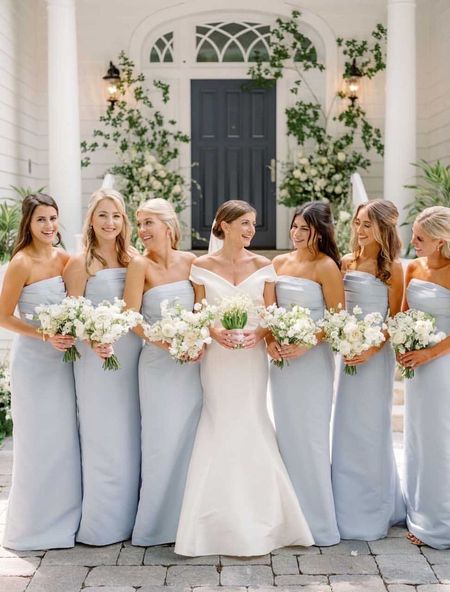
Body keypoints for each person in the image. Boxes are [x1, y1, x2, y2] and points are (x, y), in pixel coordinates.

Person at [174, 199, 314, 557]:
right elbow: (199, 312)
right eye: (245, 224)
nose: (251, 230)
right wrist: (214, 331)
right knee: (218, 423)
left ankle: (265, 519)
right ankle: (211, 522)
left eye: (253, 223)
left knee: (252, 421)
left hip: (251, 360)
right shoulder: (201, 266)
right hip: (218, 360)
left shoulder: (264, 266)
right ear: (223, 225)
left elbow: (269, 314)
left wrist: (261, 335)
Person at [0, 193, 81, 550]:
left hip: (63, 363)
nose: (49, 226)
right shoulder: (21, 262)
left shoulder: (65, 259)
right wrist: (43, 334)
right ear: (28, 224)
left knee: (63, 439)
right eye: (41, 220)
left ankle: (65, 519)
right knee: (36, 440)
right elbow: (3, 316)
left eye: (53, 218)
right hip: (34, 362)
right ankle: (32, 527)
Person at [63, 189, 141, 545]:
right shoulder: (80, 263)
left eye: (116, 216)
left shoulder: (133, 259)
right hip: (94, 357)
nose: (110, 222)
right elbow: (74, 312)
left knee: (130, 432)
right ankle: (102, 522)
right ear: (91, 221)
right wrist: (94, 339)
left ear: (124, 221)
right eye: (103, 215)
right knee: (101, 434)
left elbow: (133, 309)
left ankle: (131, 516)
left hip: (129, 351)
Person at [123, 198, 202, 546]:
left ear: (168, 226)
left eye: (148, 222)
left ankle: (189, 519)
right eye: (139, 224)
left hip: (192, 366)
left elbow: (202, 308)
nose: (142, 230)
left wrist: (197, 339)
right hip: (157, 364)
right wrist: (165, 342)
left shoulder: (192, 261)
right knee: (159, 440)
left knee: (191, 437)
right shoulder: (140, 265)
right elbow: (131, 317)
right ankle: (155, 525)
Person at [398, 205, 450, 549]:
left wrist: (429, 352)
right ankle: (420, 513)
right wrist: (403, 343)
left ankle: (444, 526)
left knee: (440, 442)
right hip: (416, 367)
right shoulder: (413, 266)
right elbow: (403, 314)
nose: (413, 242)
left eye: (420, 238)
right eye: (414, 234)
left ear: (442, 240)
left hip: (442, 366)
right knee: (416, 439)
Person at [268, 201, 343, 545]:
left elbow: (335, 319)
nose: (296, 234)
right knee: (286, 433)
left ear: (320, 232)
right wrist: (272, 340)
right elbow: (268, 312)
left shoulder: (326, 266)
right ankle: (286, 515)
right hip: (282, 363)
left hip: (312, 361)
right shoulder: (278, 263)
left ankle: (318, 521)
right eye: (294, 227)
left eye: (304, 229)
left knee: (311, 436)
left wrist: (304, 343)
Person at [331, 199, 406, 540]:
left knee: (372, 426)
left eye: (366, 225)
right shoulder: (346, 262)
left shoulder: (394, 269)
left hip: (375, 358)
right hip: (347, 354)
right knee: (347, 425)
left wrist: (370, 349)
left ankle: (375, 507)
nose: (359, 230)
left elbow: (395, 320)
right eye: (357, 223)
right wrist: (346, 342)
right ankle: (345, 505)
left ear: (383, 228)